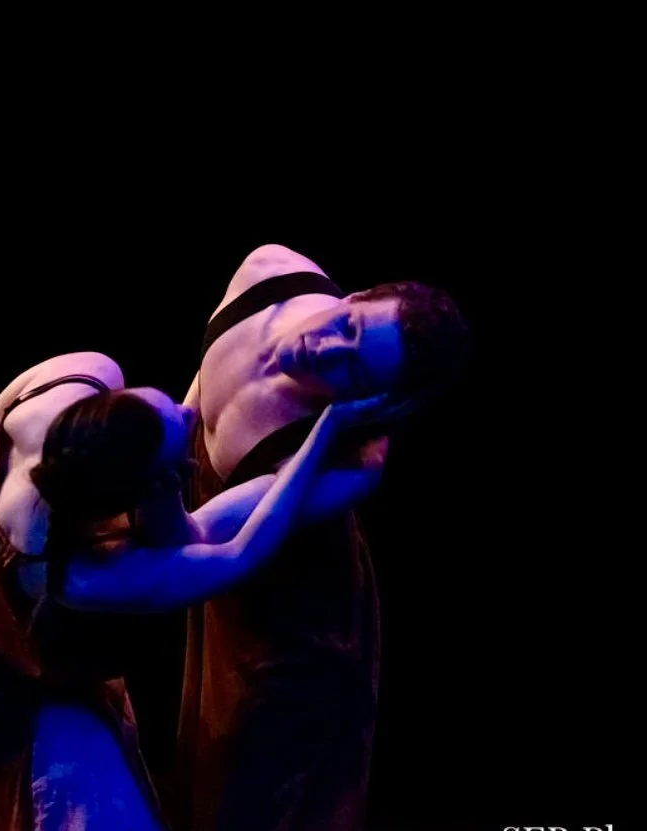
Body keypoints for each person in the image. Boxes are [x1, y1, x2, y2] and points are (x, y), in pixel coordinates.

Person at [0, 350, 394, 831]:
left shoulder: (78, 381)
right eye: (178, 433)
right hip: (10, 678)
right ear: (139, 490)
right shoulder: (81, 576)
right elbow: (238, 553)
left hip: (21, 637)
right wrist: (325, 431)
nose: (187, 413)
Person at [173, 244, 471, 831]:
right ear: (354, 296)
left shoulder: (350, 465)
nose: (326, 350)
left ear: (370, 402)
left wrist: (328, 428)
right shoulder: (269, 270)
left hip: (293, 623)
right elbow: (204, 388)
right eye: (349, 326)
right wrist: (172, 430)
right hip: (226, 577)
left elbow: (199, 533)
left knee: (261, 791)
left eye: (351, 373)